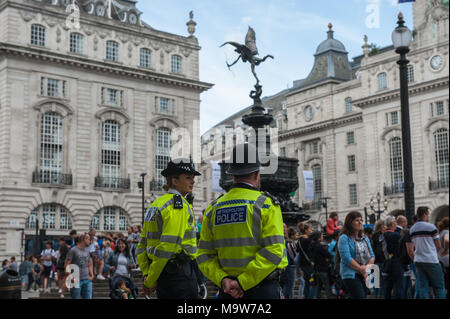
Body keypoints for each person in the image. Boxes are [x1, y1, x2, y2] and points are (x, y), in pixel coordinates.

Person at [197, 143, 287, 299]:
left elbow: (204, 256)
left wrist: (223, 279)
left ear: (232, 175)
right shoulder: (266, 205)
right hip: (262, 290)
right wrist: (242, 282)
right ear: (257, 173)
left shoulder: (212, 209)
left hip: (226, 291)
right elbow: (274, 252)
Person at [136, 158, 201, 299]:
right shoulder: (178, 205)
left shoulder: (155, 204)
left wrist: (148, 274)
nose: (193, 181)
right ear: (174, 181)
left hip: (162, 274)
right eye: (188, 177)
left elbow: (142, 245)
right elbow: (167, 246)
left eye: (193, 178)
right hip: (179, 276)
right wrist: (151, 280)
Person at [407, 207, 446, 299]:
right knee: (439, 286)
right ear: (424, 214)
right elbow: (439, 245)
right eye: (428, 214)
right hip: (431, 260)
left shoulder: (412, 229)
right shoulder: (431, 227)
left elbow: (411, 247)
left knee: (423, 287)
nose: (428, 216)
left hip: (419, 260)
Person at [337, 211, 375, 299]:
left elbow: (372, 255)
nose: (360, 222)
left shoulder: (365, 238)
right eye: (357, 220)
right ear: (350, 223)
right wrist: (361, 269)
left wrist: (366, 269)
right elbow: (346, 257)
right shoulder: (344, 238)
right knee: (359, 296)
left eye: (361, 220)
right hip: (350, 273)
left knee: (363, 295)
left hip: (365, 272)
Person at [65, 233, 94, 299]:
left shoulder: (87, 251)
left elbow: (89, 264)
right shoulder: (73, 250)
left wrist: (92, 275)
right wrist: (70, 277)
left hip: (87, 280)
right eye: (88, 239)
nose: (90, 241)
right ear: (83, 239)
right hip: (76, 280)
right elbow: (67, 264)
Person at [382, 216, 403, 299]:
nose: (396, 224)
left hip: (386, 262)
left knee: (387, 287)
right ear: (392, 224)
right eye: (395, 222)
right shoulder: (396, 235)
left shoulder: (382, 235)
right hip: (396, 262)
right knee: (399, 286)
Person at [311, 231, 335, 299]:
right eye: (321, 236)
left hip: (316, 268)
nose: (322, 237)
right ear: (318, 238)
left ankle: (317, 296)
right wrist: (327, 258)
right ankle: (330, 296)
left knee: (319, 285)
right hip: (323, 268)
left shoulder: (312, 245)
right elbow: (328, 254)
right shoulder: (319, 246)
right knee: (326, 284)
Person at [296, 222, 316, 299]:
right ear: (306, 230)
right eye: (311, 229)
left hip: (303, 265)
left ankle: (307, 296)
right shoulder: (308, 240)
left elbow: (298, 250)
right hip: (309, 264)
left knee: (307, 283)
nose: (312, 230)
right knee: (313, 283)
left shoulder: (300, 240)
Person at [280, 225, 297, 299]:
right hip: (288, 266)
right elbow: (293, 256)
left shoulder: (283, 240)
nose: (284, 229)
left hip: (285, 266)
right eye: (283, 227)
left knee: (287, 287)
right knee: (289, 286)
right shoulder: (288, 242)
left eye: (285, 227)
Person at [371, 219, 386, 298]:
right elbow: (380, 250)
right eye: (384, 226)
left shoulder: (373, 235)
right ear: (381, 227)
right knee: (381, 283)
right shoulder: (380, 236)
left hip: (375, 261)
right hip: (380, 262)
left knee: (376, 284)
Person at [438, 217, 448, 296]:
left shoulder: (440, 232)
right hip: (447, 260)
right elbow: (447, 240)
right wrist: (446, 250)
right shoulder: (447, 232)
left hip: (440, 259)